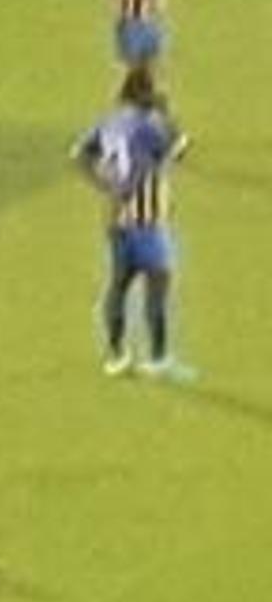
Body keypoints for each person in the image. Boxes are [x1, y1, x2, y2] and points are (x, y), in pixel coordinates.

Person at [77, 68, 195, 381]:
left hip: (116, 217)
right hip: (146, 219)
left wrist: (104, 183)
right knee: (158, 281)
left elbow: (81, 154)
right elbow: (180, 149)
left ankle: (117, 355)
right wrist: (166, 112)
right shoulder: (148, 126)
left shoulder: (110, 122)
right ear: (144, 92)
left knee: (119, 284)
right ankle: (158, 359)